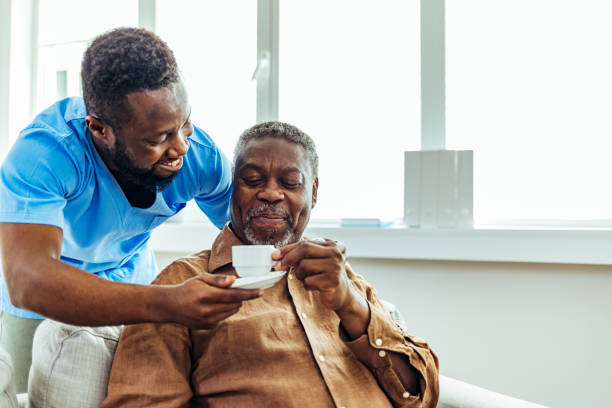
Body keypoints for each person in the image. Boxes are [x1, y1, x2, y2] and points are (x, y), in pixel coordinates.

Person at [101, 121, 439, 408]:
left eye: (290, 183)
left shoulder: (344, 282)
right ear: (232, 189)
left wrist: (349, 302)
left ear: (314, 193)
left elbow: (419, 393)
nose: (271, 194)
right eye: (252, 180)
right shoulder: (179, 284)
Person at [0, 28, 262, 391]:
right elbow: (28, 280)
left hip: (136, 283)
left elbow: (252, 234)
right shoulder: (44, 156)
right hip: (47, 300)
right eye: (158, 139)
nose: (181, 147)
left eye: (184, 123)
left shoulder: (199, 157)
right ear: (99, 129)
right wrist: (168, 303)